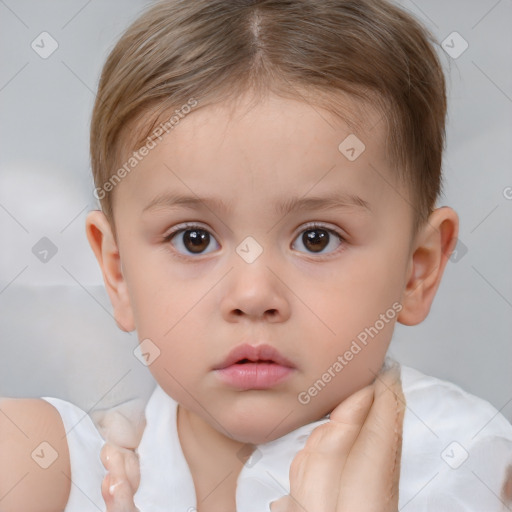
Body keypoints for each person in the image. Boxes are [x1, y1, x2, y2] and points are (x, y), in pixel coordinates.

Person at [1, 0, 511, 511]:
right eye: (194, 239)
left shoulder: (475, 469)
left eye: (317, 238)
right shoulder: (54, 468)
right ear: (118, 273)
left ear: (417, 270)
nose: (252, 296)